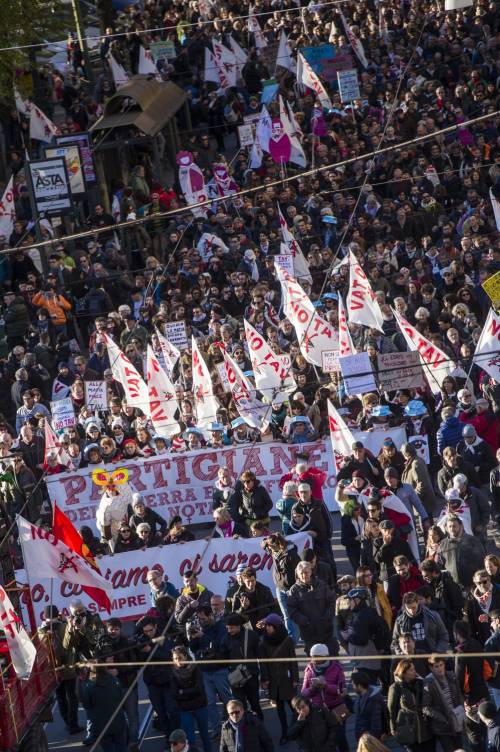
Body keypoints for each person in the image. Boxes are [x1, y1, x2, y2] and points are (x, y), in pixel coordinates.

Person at [187, 604, 232, 740]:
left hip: (220, 669)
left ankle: (234, 723)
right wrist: (192, 638)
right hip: (205, 671)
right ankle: (216, 730)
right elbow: (193, 650)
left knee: (227, 699)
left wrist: (203, 636)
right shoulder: (199, 628)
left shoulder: (220, 627)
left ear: (211, 615)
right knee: (210, 702)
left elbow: (220, 645)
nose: (201, 621)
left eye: (203, 619)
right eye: (199, 619)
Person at [139, 617, 179, 745]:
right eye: (145, 631)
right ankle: (168, 739)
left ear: (156, 626)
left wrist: (151, 650)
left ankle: (177, 737)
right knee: (161, 713)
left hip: (167, 681)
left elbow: (169, 655)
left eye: (150, 630)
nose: (148, 633)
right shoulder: (142, 639)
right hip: (152, 682)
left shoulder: (165, 637)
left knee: (172, 710)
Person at [259, 613, 298, 744]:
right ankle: (285, 733)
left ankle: (298, 729)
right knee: (280, 710)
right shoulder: (264, 641)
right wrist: (264, 679)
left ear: (276, 626)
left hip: (286, 680)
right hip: (273, 681)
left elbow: (293, 661)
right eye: (267, 626)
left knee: (295, 707)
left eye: (270, 626)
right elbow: (263, 662)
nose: (267, 628)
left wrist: (295, 679)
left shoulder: (287, 640)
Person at [301, 644, 348, 752]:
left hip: (337, 708)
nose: (313, 660)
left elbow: (342, 689)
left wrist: (326, 686)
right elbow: (303, 692)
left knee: (341, 738)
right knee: (325, 739)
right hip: (319, 711)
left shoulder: (337, 668)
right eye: (312, 657)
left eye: (316, 657)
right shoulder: (309, 670)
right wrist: (312, 689)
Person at [287, 561, 337, 656]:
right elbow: (292, 610)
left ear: (311, 572)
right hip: (309, 634)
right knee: (315, 662)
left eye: (306, 572)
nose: (304, 575)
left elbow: (331, 602)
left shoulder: (322, 585)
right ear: (297, 574)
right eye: (301, 573)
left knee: (332, 659)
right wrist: (304, 621)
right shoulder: (294, 590)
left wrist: (327, 616)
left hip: (326, 631)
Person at [81, 655, 128, 752]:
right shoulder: (115, 681)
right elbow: (120, 697)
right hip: (118, 722)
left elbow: (86, 705)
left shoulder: (90, 687)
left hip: (101, 726)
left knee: (108, 748)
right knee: (122, 747)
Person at [171, 645, 212, 752]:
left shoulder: (195, 669)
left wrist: (183, 691)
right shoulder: (173, 673)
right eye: (175, 659)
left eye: (180, 658)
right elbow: (175, 693)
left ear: (186, 656)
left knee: (205, 735)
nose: (178, 661)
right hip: (185, 709)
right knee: (190, 739)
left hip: (199, 706)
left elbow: (198, 689)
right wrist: (190, 690)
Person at [387, 659, 434, 752]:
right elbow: (391, 710)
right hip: (409, 727)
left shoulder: (420, 683)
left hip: (425, 727)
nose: (415, 672)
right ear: (403, 673)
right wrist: (393, 728)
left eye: (414, 669)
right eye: (411, 670)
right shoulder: (396, 687)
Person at [221, 614, 262, 719]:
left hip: (251, 675)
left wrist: (264, 677)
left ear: (239, 626)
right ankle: (244, 729)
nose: (229, 631)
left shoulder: (252, 635)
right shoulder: (226, 639)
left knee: (255, 704)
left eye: (232, 628)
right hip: (236, 678)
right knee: (240, 706)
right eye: (228, 628)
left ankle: (259, 726)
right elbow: (223, 659)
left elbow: (261, 657)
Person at [262, 532, 300, 642]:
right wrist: (266, 541)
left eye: (271, 546)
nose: (269, 549)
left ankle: (294, 639)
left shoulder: (291, 554)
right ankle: (291, 638)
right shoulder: (274, 552)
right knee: (286, 615)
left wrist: (296, 587)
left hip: (291, 589)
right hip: (280, 588)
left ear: (278, 545)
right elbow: (262, 543)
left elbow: (298, 572)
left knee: (292, 615)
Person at [392, 592, 449, 658]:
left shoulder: (433, 616)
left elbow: (443, 635)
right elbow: (395, 642)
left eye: (413, 607)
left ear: (417, 603)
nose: (411, 611)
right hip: (410, 657)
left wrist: (438, 652)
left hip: (431, 655)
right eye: (409, 608)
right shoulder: (400, 621)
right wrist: (401, 655)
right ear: (404, 606)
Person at [440, 515, 486, 589]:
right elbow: (441, 565)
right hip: (453, 586)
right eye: (450, 526)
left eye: (454, 526)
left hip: (472, 584)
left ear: (461, 526)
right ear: (446, 528)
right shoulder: (443, 544)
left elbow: (482, 561)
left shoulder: (473, 541)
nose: (452, 529)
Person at [463, 569, 500, 645]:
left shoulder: (498, 593)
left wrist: (489, 617)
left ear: (489, 580)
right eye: (479, 583)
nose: (482, 585)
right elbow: (470, 623)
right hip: (483, 640)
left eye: (484, 582)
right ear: (475, 583)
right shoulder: (471, 600)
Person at [351, 671, 385, 741]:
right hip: (363, 736)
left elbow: (376, 724)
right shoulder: (361, 695)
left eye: (353, 685)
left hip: (369, 740)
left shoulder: (373, 700)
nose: (352, 687)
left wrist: (371, 741)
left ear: (359, 686)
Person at [485, 610, 500, 707]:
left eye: (492, 620)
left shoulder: (492, 641)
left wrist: (491, 678)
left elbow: (489, 664)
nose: (490, 624)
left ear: (497, 621)